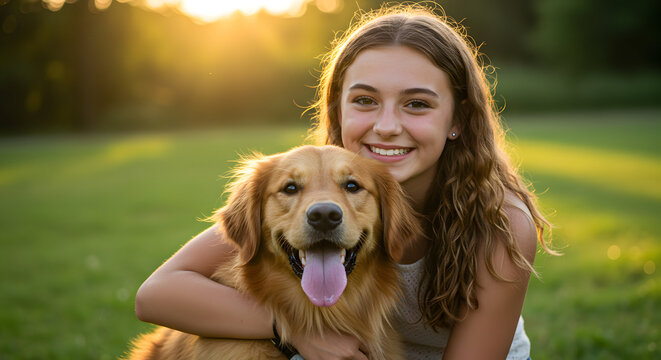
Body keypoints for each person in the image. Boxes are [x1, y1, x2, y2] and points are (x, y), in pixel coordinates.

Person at [134, 4, 554, 359]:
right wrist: (294, 330)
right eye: (366, 101)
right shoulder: (306, 192)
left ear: (458, 119)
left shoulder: (499, 225)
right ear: (338, 112)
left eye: (417, 104)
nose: (387, 126)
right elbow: (155, 293)